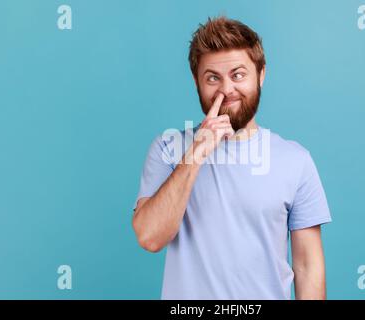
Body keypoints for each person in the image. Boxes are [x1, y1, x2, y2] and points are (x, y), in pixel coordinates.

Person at [132, 16, 332, 300]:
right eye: (213, 77)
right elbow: (150, 237)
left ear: (261, 74)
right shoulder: (168, 148)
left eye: (238, 75)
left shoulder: (296, 160)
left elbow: (308, 266)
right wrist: (197, 152)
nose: (226, 89)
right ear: (196, 82)